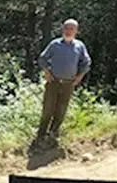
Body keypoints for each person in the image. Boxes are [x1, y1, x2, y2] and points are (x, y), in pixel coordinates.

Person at [35, 19, 91, 147]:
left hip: (68, 84)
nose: (69, 31)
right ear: (63, 29)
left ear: (76, 31)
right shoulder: (55, 44)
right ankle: (41, 136)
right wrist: (47, 72)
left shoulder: (79, 46)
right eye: (67, 28)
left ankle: (53, 135)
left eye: (72, 29)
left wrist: (80, 76)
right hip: (53, 82)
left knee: (61, 110)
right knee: (48, 108)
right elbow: (42, 58)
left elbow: (86, 62)